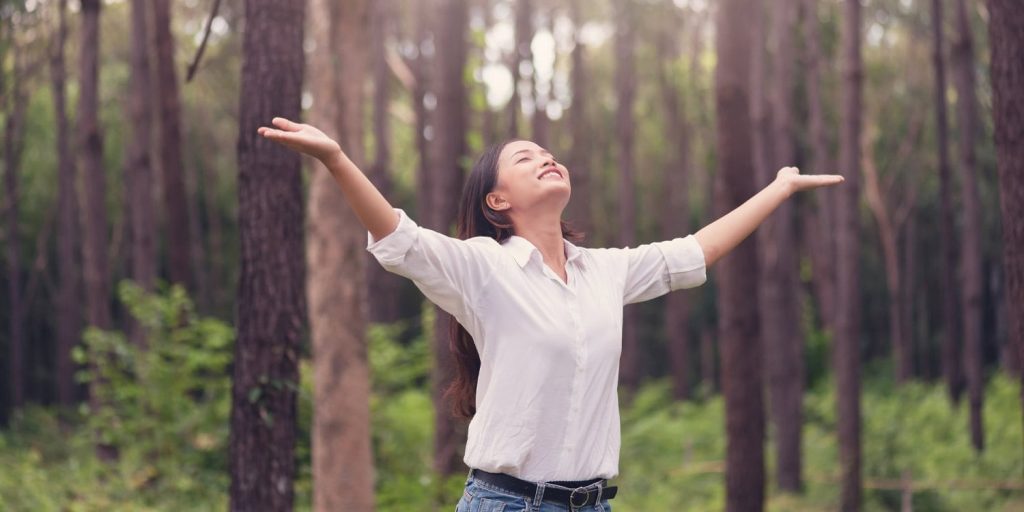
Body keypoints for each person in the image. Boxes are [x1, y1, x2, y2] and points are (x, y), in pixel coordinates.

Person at [258, 117, 843, 512]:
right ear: (497, 200)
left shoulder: (605, 273)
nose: (547, 159)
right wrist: (335, 158)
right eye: (525, 158)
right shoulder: (483, 269)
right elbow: (399, 237)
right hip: (505, 504)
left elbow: (695, 250)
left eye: (549, 154)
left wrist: (779, 188)